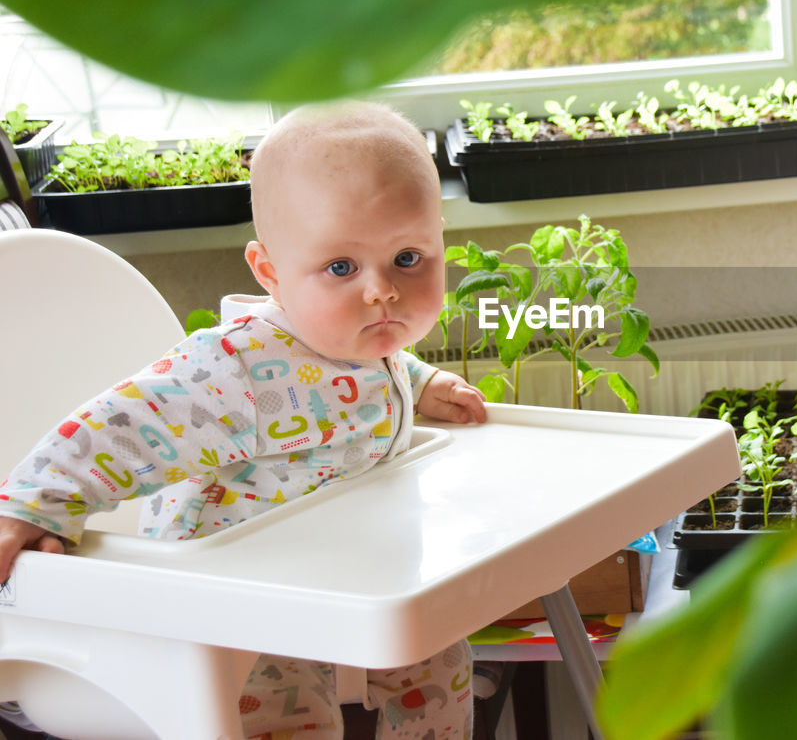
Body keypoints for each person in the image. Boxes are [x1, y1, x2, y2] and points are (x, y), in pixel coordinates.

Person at [0, 101, 486, 739]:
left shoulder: (357, 334)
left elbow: (372, 363)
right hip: (230, 606)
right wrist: (34, 503)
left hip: (351, 571)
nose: (382, 292)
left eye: (409, 259)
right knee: (290, 721)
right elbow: (116, 425)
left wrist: (420, 383)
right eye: (341, 267)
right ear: (270, 273)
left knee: (439, 663)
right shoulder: (235, 370)